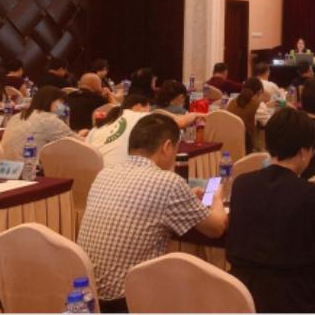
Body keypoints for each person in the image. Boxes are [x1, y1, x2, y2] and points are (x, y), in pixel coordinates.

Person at [79, 113, 228, 313]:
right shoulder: (168, 182)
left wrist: (187, 199)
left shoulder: (104, 174)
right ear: (167, 147)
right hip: (129, 301)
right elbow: (216, 228)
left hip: (88, 297)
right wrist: (217, 198)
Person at [227, 107, 315, 312]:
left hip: (242, 298)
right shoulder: (311, 194)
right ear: (303, 152)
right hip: (296, 300)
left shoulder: (242, 184)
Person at [86, 94, 197, 167]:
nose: (149, 112)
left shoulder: (97, 128)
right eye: (148, 108)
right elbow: (179, 123)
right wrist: (194, 115)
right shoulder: (140, 117)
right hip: (125, 179)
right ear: (139, 106)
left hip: (94, 183)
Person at [1, 86, 86, 160]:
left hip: (5, 166)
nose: (63, 106)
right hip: (29, 168)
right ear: (51, 101)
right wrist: (84, 134)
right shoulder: (49, 120)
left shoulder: (17, 116)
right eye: (61, 102)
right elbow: (79, 144)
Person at [226, 78, 264, 153]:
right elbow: (268, 122)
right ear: (259, 92)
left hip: (228, 144)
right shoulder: (259, 106)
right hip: (248, 147)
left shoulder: (231, 102)